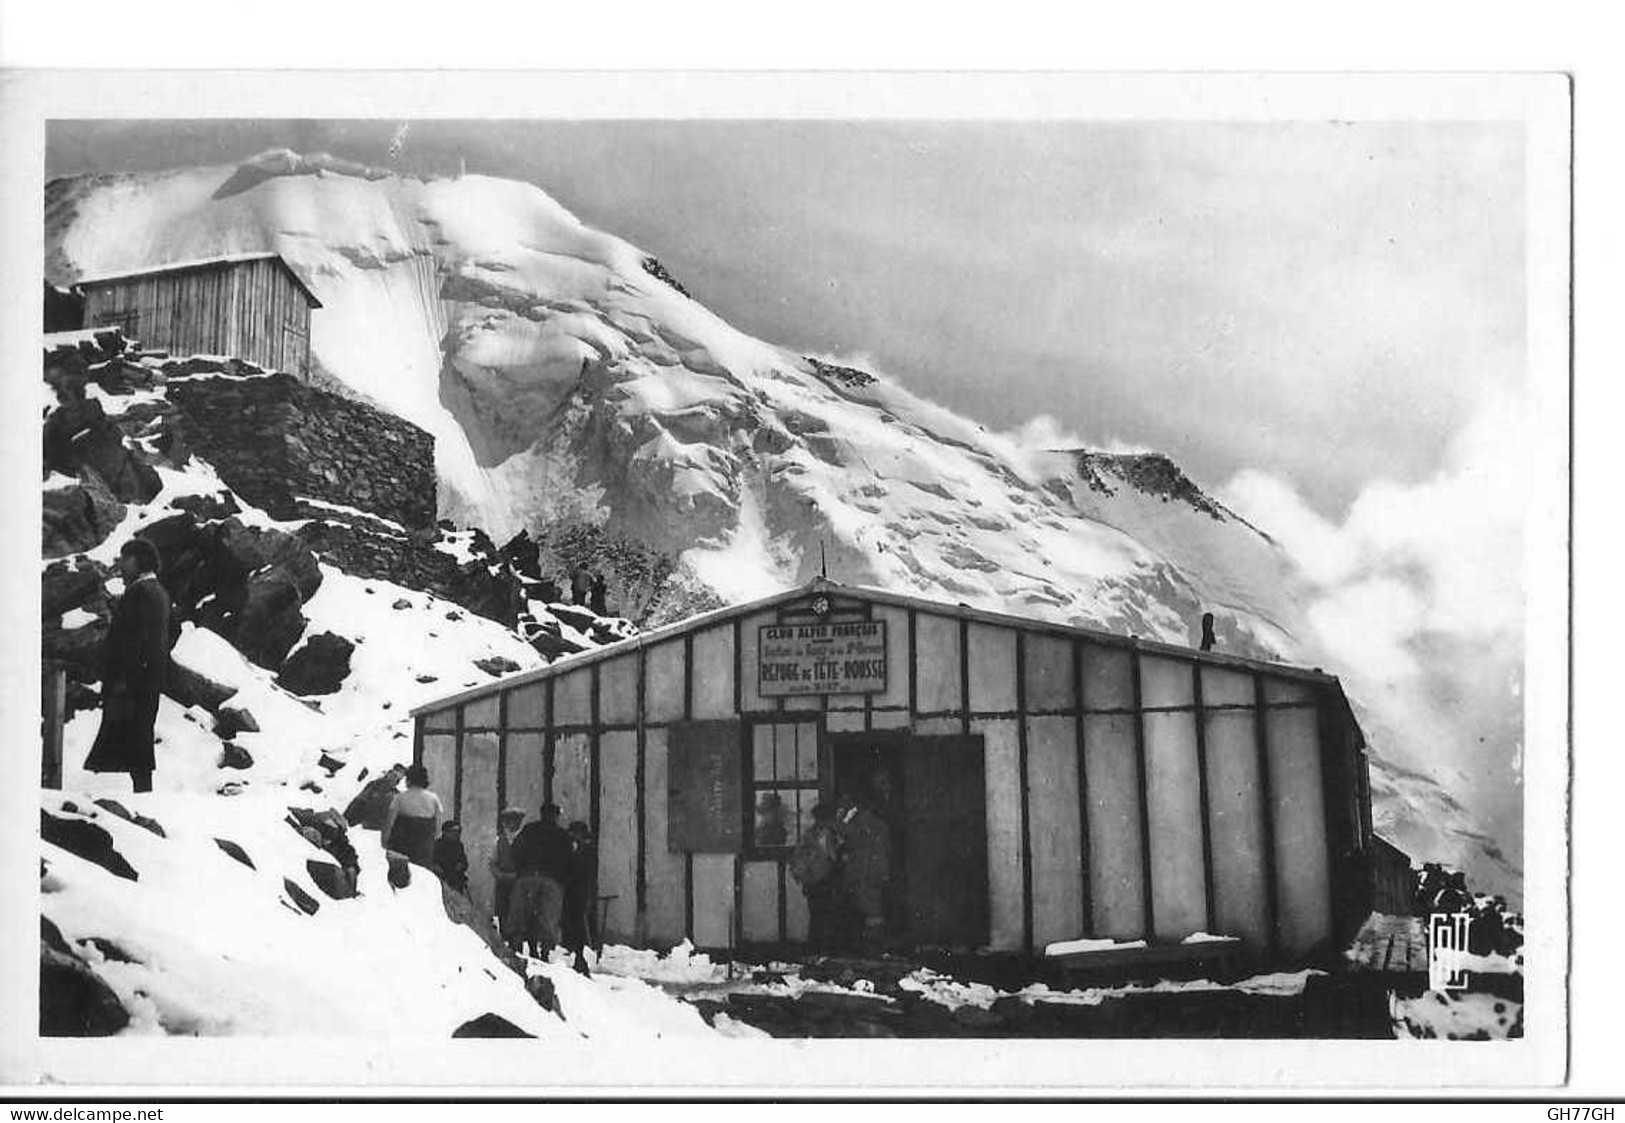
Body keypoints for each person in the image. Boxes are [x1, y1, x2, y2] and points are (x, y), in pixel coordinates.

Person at [84, 538, 171, 794]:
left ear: (139, 560)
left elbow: (132, 641)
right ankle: (143, 793)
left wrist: (120, 679)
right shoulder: (158, 591)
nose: (121, 565)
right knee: (139, 737)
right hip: (147, 679)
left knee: (135, 738)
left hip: (131, 681)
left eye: (126, 559)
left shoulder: (140, 592)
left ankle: (143, 796)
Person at [507, 801, 574, 960]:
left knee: (524, 913)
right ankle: (544, 951)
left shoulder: (529, 830)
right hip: (552, 880)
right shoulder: (562, 835)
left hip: (527, 877)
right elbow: (570, 859)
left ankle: (518, 945)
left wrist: (522, 869)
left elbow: (515, 850)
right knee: (548, 917)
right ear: (556, 816)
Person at [836, 791, 892, 951]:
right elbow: (888, 850)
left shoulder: (857, 825)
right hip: (875, 871)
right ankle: (875, 943)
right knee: (874, 908)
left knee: (868, 908)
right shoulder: (881, 825)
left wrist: (842, 813)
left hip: (862, 873)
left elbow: (840, 830)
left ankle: (872, 944)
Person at [789, 801, 844, 952]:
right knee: (827, 915)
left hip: (811, 880)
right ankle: (825, 948)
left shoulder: (808, 834)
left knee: (816, 915)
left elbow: (798, 856)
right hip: (825, 879)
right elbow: (833, 857)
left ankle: (815, 947)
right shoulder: (829, 834)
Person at [381, 764, 444, 867]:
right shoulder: (434, 799)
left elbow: (389, 824)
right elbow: (438, 829)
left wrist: (385, 843)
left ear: (408, 780)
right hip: (424, 850)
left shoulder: (399, 798)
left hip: (401, 848)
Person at [560, 821, 599, 976]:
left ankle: (580, 957)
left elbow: (585, 873)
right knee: (574, 924)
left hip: (579, 893)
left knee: (578, 925)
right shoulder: (576, 849)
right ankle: (578, 956)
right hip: (574, 892)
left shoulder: (585, 850)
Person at [490, 807, 526, 947]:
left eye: (515, 820)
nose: (512, 823)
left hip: (519, 882)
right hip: (503, 881)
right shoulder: (498, 841)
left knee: (519, 912)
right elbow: (492, 862)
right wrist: (499, 874)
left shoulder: (524, 840)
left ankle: (517, 942)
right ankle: (505, 941)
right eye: (508, 820)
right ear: (504, 823)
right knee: (503, 910)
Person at [344, 763, 407, 830]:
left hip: (375, 827)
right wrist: (347, 818)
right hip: (365, 825)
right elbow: (359, 800)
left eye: (400, 775)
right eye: (396, 774)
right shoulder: (375, 785)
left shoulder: (396, 794)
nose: (397, 776)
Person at [432, 820, 470, 894]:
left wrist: (461, 866)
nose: (456, 834)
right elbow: (433, 863)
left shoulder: (459, 846)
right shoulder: (437, 845)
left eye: (458, 832)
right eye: (453, 832)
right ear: (445, 832)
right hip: (441, 881)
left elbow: (464, 862)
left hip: (456, 881)